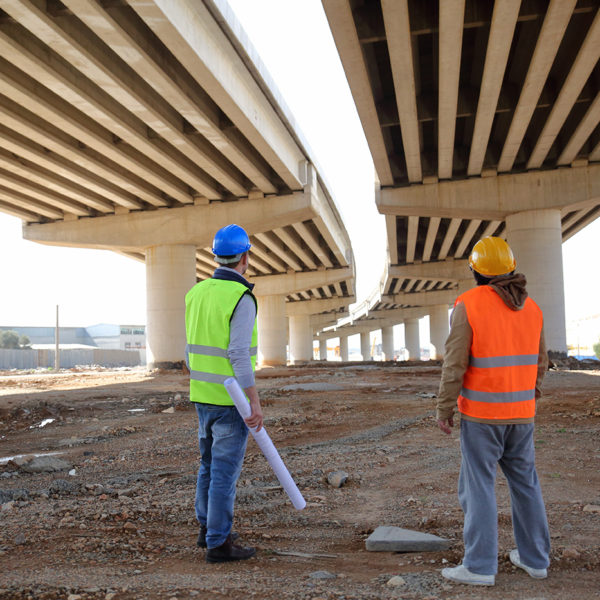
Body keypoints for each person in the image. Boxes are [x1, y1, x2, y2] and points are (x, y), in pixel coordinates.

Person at [436, 236, 550, 586]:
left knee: (479, 487)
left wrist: (444, 406)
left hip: (483, 417)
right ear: (511, 268)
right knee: (525, 484)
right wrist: (528, 397)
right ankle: (535, 560)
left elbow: (455, 361)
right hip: (521, 415)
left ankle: (480, 566)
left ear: (476, 271)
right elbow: (540, 363)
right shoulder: (531, 307)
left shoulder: (468, 304)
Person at [185, 223, 264, 563]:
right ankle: (219, 543)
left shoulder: (196, 293)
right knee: (224, 474)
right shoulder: (241, 297)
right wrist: (253, 400)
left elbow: (188, 351)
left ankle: (207, 530)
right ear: (244, 257)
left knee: (207, 467)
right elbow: (237, 354)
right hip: (231, 401)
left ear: (216, 256)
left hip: (202, 396)